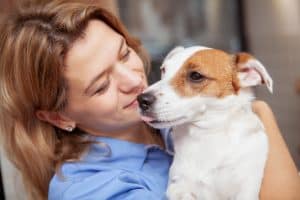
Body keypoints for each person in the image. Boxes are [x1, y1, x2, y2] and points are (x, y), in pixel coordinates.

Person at [0, 1, 299, 200]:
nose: (135, 81)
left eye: (124, 53)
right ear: (59, 117)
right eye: (101, 86)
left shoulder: (175, 124)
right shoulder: (93, 190)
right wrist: (259, 112)